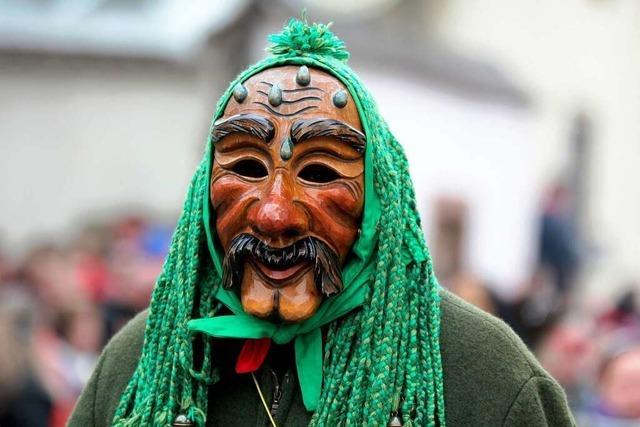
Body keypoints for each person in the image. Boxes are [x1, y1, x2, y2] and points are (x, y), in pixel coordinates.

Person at [68, 17, 575, 426]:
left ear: (379, 200)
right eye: (245, 168)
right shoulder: (140, 365)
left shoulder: (485, 378)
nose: (274, 213)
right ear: (205, 193)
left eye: (318, 172)